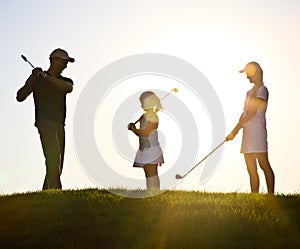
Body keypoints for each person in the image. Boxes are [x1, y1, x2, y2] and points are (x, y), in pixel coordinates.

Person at [16, 48, 75, 190]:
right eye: (64, 62)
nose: (66, 65)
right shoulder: (38, 79)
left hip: (60, 124)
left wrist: (47, 77)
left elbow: (69, 88)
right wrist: (33, 77)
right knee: (54, 157)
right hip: (45, 121)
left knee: (57, 161)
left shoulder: (64, 80)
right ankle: (56, 192)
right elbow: (20, 96)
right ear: (53, 61)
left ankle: (47, 193)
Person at [226, 61, 275, 194]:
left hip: (258, 134)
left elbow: (253, 111)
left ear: (256, 73)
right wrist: (234, 131)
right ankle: (255, 195)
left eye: (248, 73)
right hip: (247, 134)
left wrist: (236, 130)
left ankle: (271, 195)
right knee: (251, 168)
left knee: (264, 165)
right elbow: (245, 113)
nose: (247, 77)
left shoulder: (262, 90)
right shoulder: (249, 92)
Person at [128, 91, 164, 191]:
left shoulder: (153, 117)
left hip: (151, 149)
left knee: (152, 173)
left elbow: (147, 132)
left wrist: (134, 129)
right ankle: (151, 193)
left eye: (143, 102)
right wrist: (134, 129)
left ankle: (154, 192)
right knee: (148, 174)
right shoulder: (145, 116)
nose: (141, 104)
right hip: (145, 148)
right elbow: (141, 134)